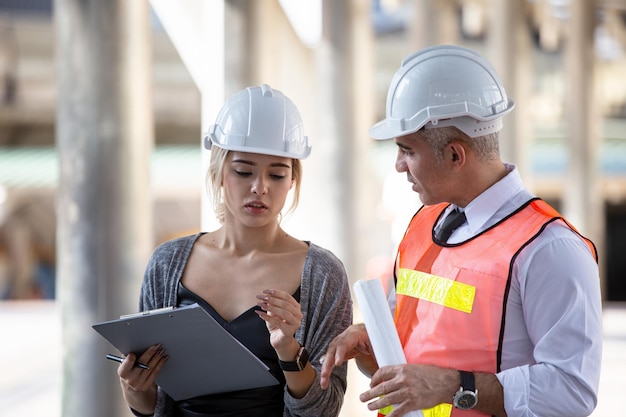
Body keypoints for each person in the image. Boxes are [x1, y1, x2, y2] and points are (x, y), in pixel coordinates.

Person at [320, 44, 602, 417]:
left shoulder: (549, 248)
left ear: (455, 155)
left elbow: (572, 392)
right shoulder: (422, 226)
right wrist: (376, 346)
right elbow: (413, 354)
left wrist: (453, 385)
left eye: (407, 150)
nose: (398, 166)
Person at [117, 84, 353, 417]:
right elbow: (151, 408)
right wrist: (135, 388)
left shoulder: (323, 275)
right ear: (218, 171)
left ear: (292, 181)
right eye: (243, 171)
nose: (260, 187)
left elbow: (324, 410)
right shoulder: (167, 264)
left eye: (277, 174)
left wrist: (289, 350)